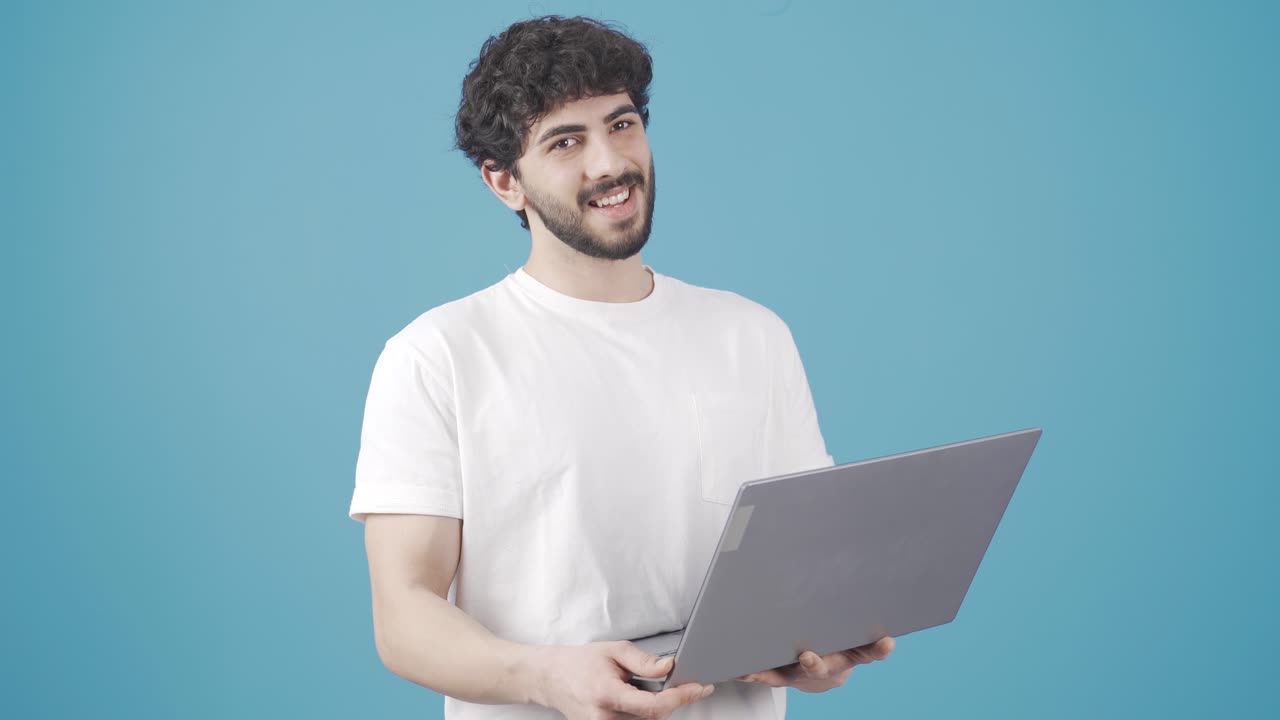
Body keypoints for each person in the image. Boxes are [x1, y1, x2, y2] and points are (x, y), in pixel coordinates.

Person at [349, 15, 894, 720]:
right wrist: (544, 676)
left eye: (622, 124)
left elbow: (806, 566)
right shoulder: (438, 356)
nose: (609, 163)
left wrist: (820, 645)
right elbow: (404, 615)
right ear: (503, 182)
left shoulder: (753, 335)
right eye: (566, 141)